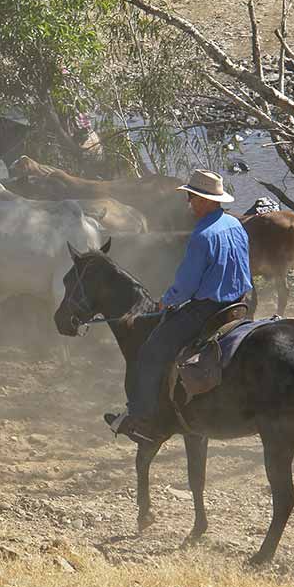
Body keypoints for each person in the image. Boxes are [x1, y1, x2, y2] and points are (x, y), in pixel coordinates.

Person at [107, 169, 253, 444]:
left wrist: (167, 300)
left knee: (151, 352)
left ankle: (142, 419)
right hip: (239, 305)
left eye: (192, 197)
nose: (188, 202)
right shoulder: (235, 225)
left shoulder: (202, 235)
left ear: (206, 200)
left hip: (207, 309)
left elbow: (187, 283)